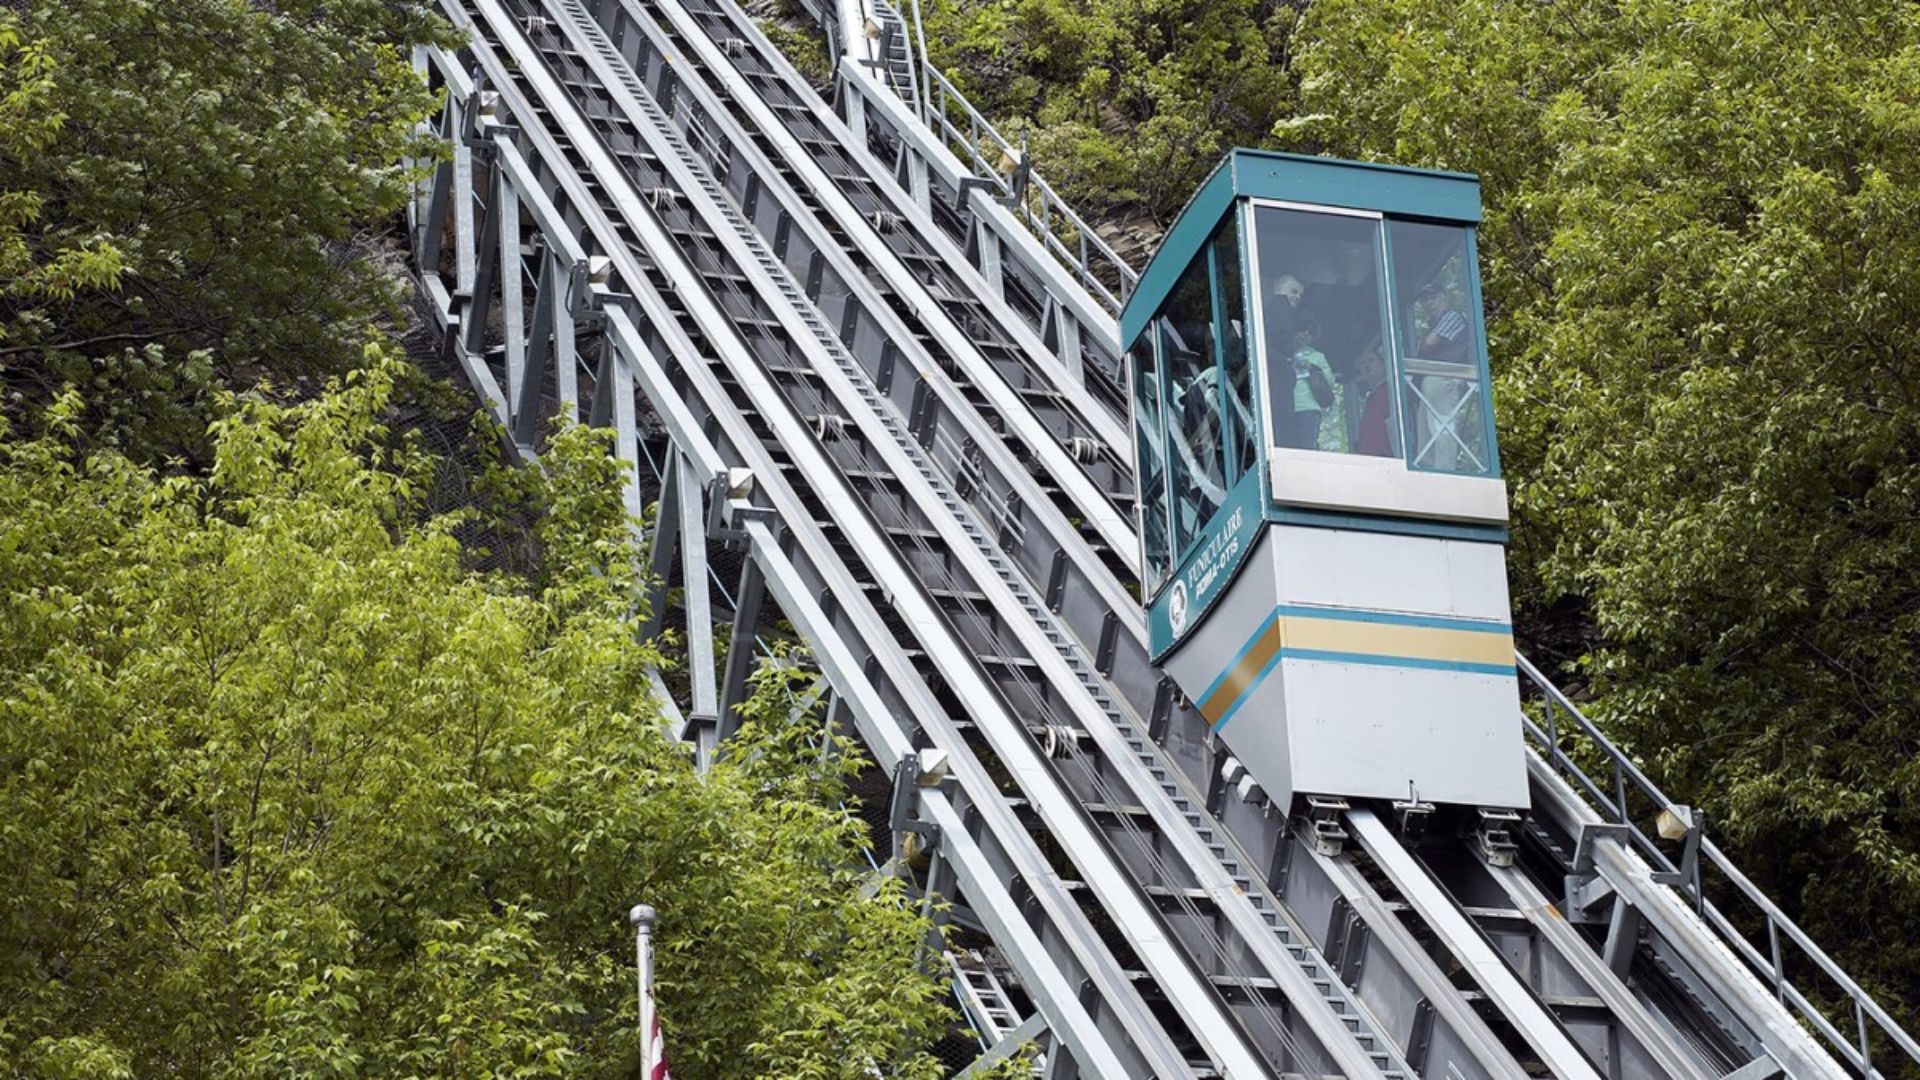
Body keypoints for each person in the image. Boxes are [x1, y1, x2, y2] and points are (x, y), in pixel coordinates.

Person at [1410, 284, 1472, 470]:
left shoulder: (1452, 317)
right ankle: (1431, 471)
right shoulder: (1436, 324)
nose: (1429, 302)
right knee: (1427, 435)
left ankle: (1445, 471)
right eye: (1425, 300)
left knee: (1442, 428)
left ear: (1444, 298)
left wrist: (1425, 346)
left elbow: (1428, 344)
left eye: (1433, 297)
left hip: (1443, 380)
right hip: (1431, 382)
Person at [1282, 312, 1334, 449]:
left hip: (1308, 408)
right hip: (1285, 408)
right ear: (1295, 330)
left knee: (1307, 448)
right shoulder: (1282, 353)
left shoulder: (1317, 356)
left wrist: (1311, 367)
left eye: (1311, 332)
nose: (1306, 334)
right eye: (1303, 329)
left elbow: (1330, 382)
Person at [1352, 348, 1394, 457]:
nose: (1366, 365)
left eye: (1370, 360)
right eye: (1362, 363)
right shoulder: (1373, 397)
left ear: (1383, 364)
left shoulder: (1394, 392)